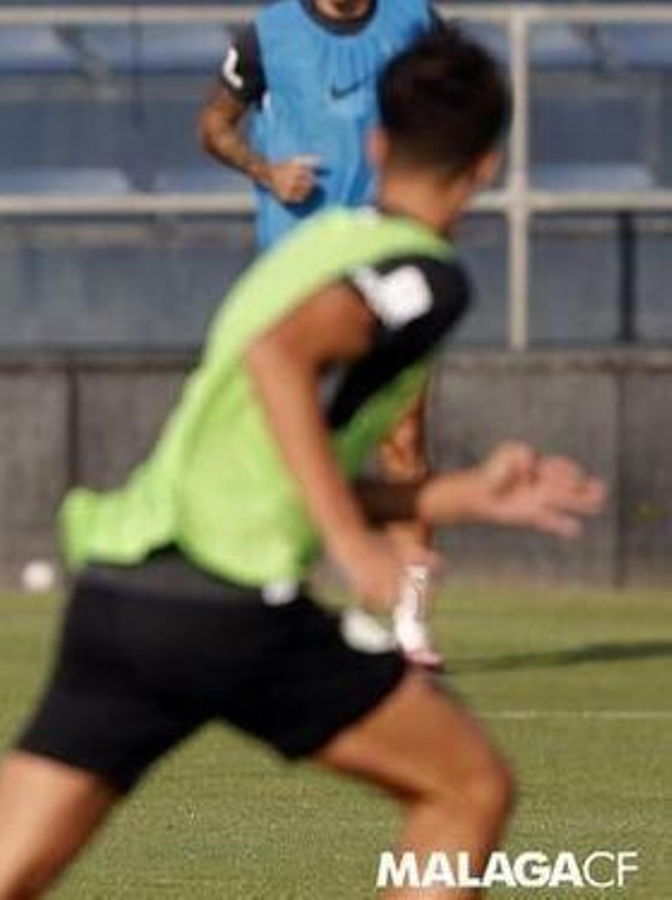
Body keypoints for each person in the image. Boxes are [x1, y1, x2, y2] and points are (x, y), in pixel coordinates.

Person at [0, 31, 605, 898]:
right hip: (232, 607)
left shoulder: (315, 246)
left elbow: (273, 455)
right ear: (488, 167)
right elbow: (281, 360)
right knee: (468, 789)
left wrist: (460, 495)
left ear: (376, 145)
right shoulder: (421, 276)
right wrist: (355, 546)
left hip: (127, 589)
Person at [199, 0, 449, 667]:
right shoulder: (269, 34)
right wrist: (266, 170)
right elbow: (214, 127)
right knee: (286, 445)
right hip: (297, 273)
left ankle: (410, 621)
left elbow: (453, 111)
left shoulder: (414, 19)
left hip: (388, 260)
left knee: (406, 438)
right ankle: (272, 604)